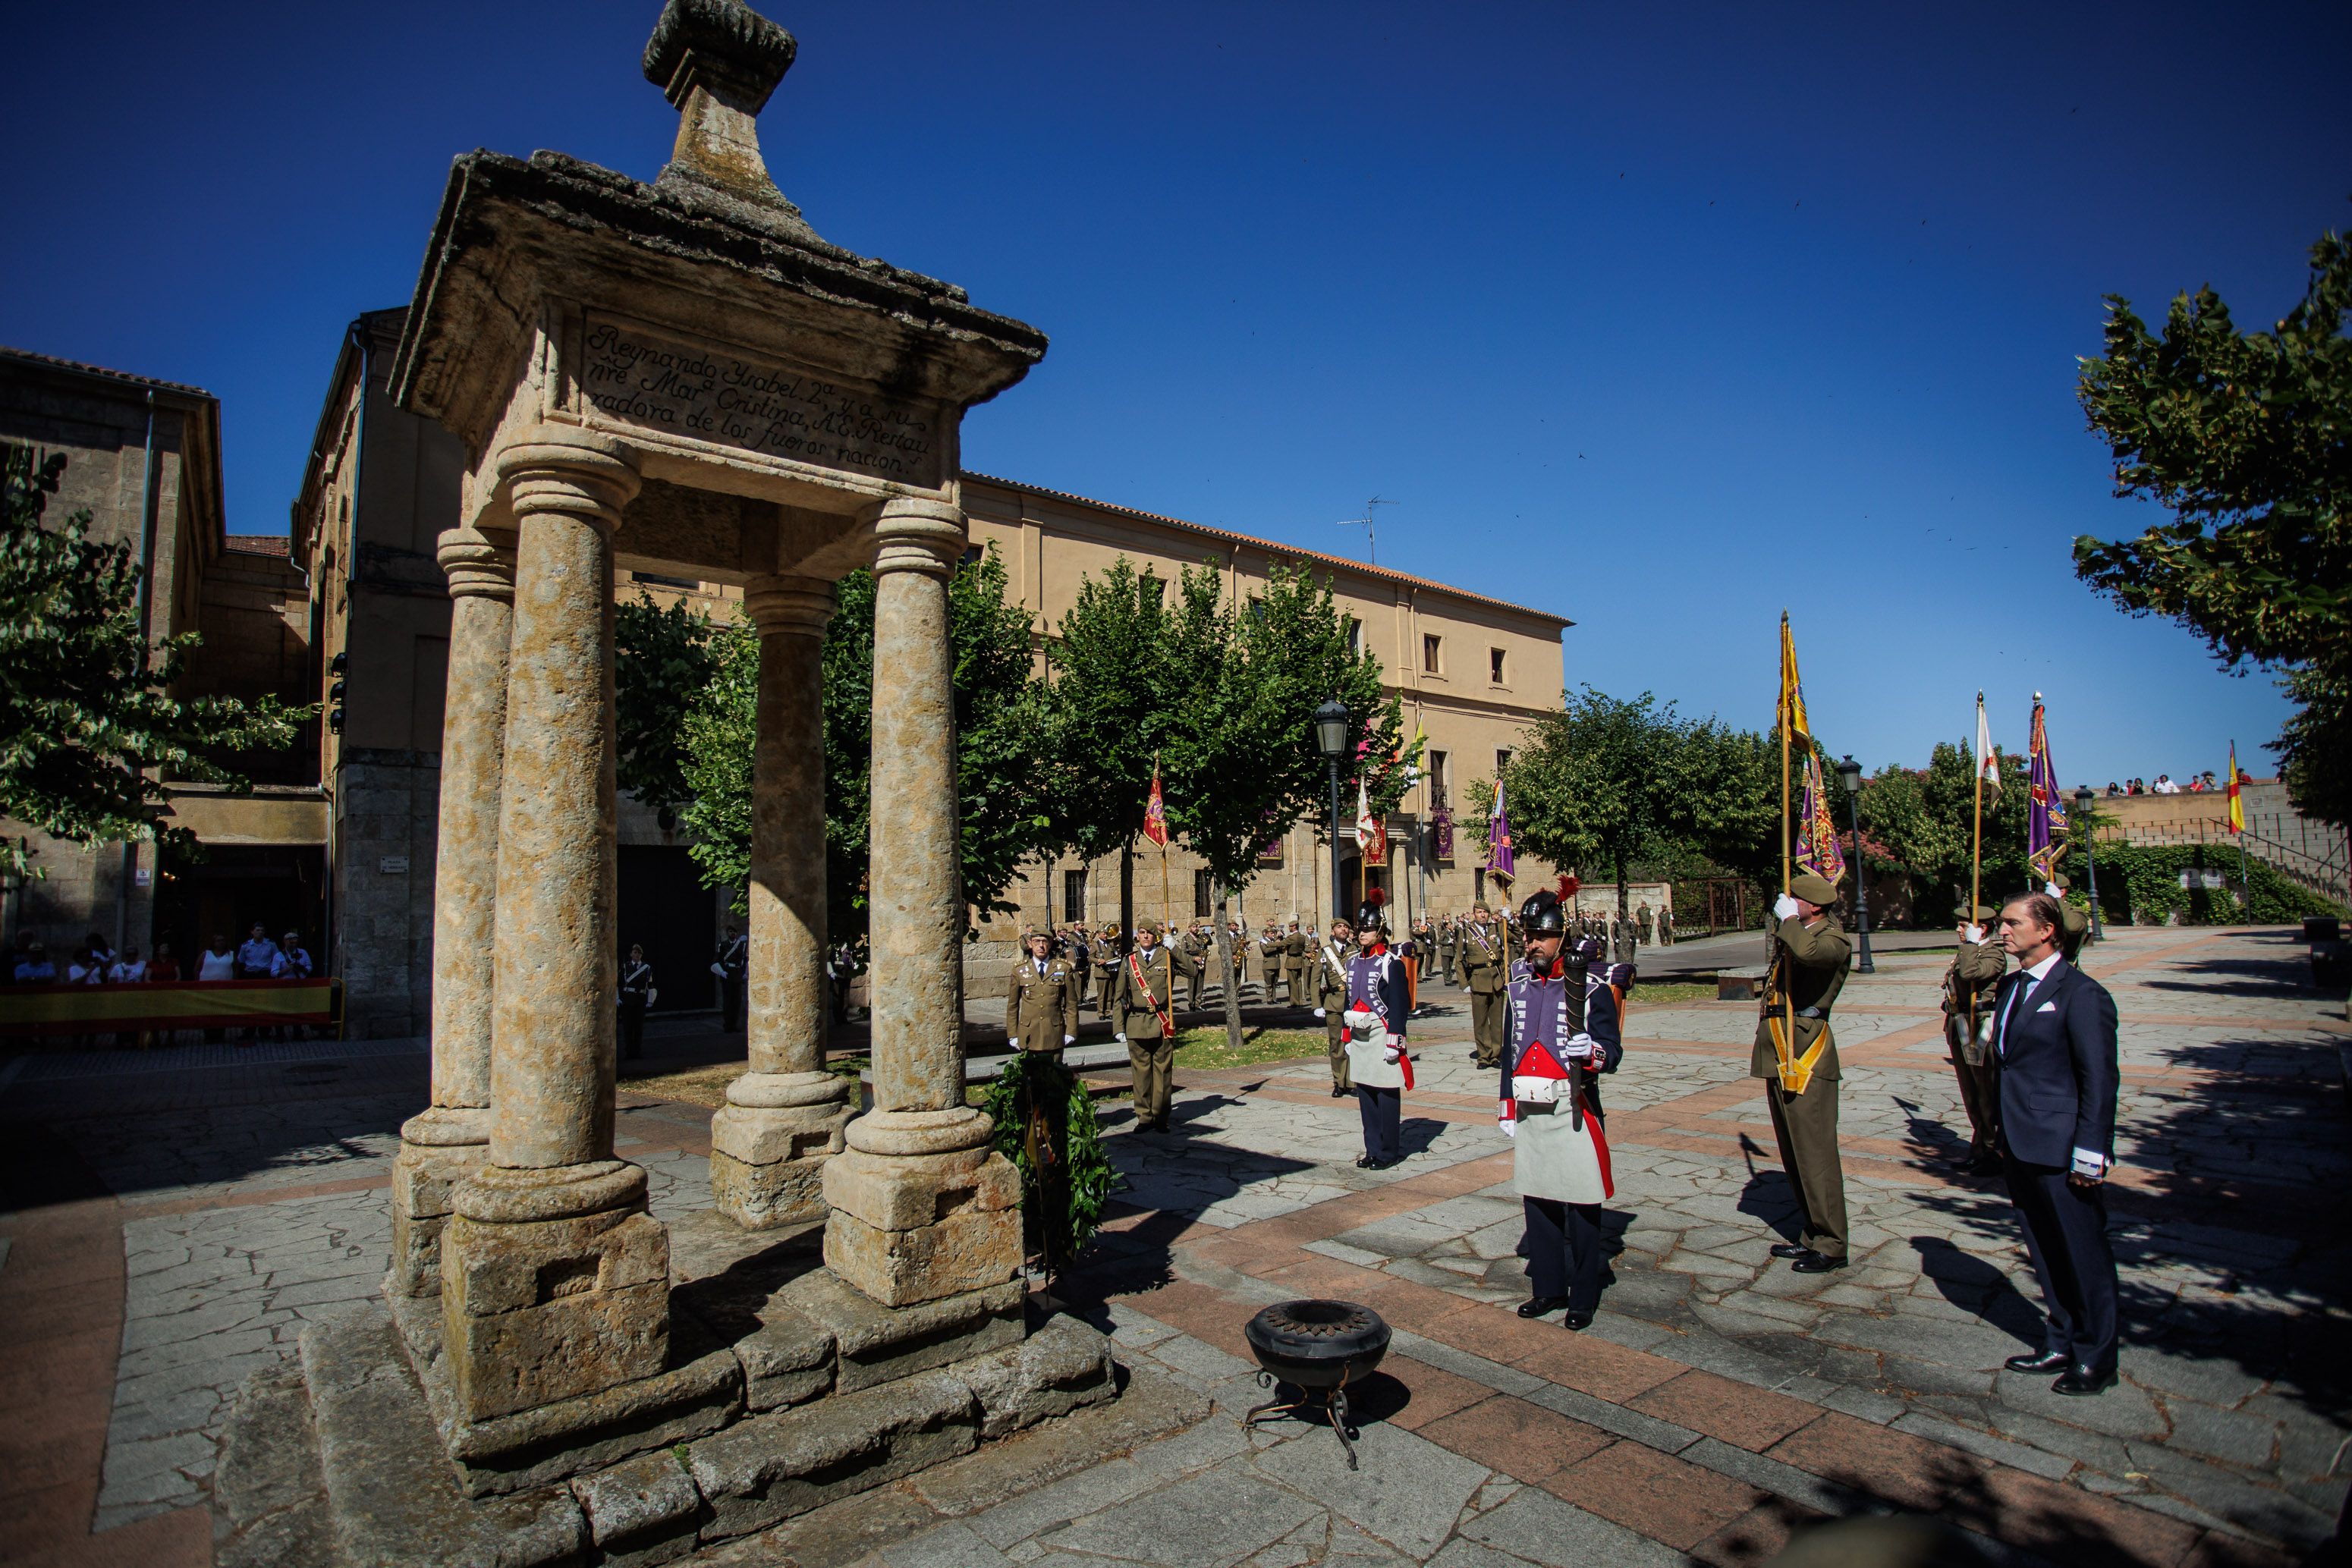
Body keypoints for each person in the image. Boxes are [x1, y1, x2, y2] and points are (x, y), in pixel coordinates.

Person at [1989, 891, 2122, 1396]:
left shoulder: (2081, 993)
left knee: (2083, 1254)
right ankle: (2061, 1338)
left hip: (2063, 1146)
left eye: (2011, 922)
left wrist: (2092, 1150)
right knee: (2045, 1250)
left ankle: (2096, 1356)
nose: (2002, 931)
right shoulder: (2010, 986)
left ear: (2047, 930)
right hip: (2019, 1142)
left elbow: (2099, 1078)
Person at [1499, 888, 1623, 1329]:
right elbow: (1508, 1050)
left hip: (1574, 1106)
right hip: (1530, 1106)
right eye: (1529, 934)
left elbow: (1613, 1051)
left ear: (1561, 938)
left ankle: (1584, 1295)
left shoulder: (1591, 990)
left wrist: (1593, 1051)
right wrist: (1506, 1104)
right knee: (1538, 1200)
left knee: (1582, 1204)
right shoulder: (1517, 987)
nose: (1532, 942)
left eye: (1541, 936)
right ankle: (1548, 1288)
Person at [1753, 872, 1851, 1273]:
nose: (1788, 902)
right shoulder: (1803, 929)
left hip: (1805, 1050)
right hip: (1781, 1044)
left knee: (1816, 1153)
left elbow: (1812, 956)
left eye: (1796, 899)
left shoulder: (1833, 938)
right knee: (1794, 1151)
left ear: (1813, 905)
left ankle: (1832, 1244)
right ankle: (1812, 1232)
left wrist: (1789, 922)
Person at [1340, 904, 1413, 1168]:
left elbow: (1399, 1003)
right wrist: (1346, 1036)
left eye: (1368, 929)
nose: (1363, 934)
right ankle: (1372, 1148)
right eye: (1360, 929)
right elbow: (1349, 1001)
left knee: (1385, 1093)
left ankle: (1388, 1151)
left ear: (1380, 931)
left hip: (1382, 1031)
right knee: (1366, 1094)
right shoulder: (1353, 961)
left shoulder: (1390, 963)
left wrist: (1395, 1040)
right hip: (1359, 1032)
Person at [1940, 906, 2006, 1174]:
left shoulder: (1994, 954)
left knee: (1985, 1093)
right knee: (1970, 1093)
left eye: (1964, 925)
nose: (1958, 929)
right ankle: (1979, 1148)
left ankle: (1992, 1151)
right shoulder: (1969, 950)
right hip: (1960, 1025)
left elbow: (1970, 974)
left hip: (1980, 1028)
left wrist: (1971, 944)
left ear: (1982, 928)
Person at [1113, 919, 1196, 1132]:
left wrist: (1174, 947)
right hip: (1137, 1024)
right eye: (1142, 933)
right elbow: (1119, 997)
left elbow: (1192, 971)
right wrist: (1118, 1028)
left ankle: (1160, 1116)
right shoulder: (1129, 961)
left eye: (1150, 933)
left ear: (1155, 936)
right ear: (1137, 936)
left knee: (1162, 1072)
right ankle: (1144, 1116)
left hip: (1162, 1022)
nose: (1146, 936)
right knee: (1140, 1074)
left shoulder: (1166, 956)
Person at [1007, 928, 1080, 1054]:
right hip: (1028, 1035)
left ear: (1050, 944)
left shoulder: (1063, 968)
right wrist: (1012, 1034)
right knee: (1029, 1072)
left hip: (1054, 1034)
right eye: (1036, 941)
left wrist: (1071, 1031)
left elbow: (1071, 1004)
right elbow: (1012, 1006)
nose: (1041, 946)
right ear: (1030, 944)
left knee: (1054, 1072)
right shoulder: (1019, 970)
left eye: (1044, 941)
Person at [1459, 903, 1509, 1068]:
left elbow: (1516, 937)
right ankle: (1483, 1056)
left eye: (1485, 912)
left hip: (1496, 980)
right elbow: (1459, 960)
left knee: (1496, 1021)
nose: (1483, 915)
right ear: (1474, 914)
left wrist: (1509, 920)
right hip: (1478, 979)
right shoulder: (1466, 932)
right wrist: (1464, 983)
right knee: (1480, 1021)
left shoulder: (1497, 929)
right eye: (1479, 912)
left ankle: (1495, 1055)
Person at [1310, 915, 1354, 1098]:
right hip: (1333, 1002)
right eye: (1339, 927)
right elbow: (1314, 980)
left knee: (1353, 1043)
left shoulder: (1355, 950)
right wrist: (1316, 1005)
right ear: (1333, 931)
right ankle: (1338, 1082)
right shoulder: (1325, 952)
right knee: (1336, 1044)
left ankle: (1352, 1082)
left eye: (1346, 927)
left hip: (1353, 1002)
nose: (1343, 930)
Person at [618, 944, 655, 1061]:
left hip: (640, 999)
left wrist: (650, 1000)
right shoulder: (625, 966)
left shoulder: (647, 968)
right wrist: (617, 998)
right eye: (634, 953)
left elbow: (650, 985)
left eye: (639, 953)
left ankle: (637, 1052)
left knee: (638, 1028)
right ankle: (629, 1052)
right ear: (631, 954)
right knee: (627, 1028)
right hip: (627, 1000)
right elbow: (618, 983)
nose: (637, 955)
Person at [714, 925, 748, 1032]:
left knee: (736, 1001)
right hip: (727, 974)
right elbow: (719, 959)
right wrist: (721, 972)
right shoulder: (723, 945)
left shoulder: (742, 945)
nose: (732, 933)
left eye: (734, 931)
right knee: (728, 1001)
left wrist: (744, 973)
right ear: (727, 933)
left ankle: (734, 1025)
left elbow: (744, 959)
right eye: (730, 931)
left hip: (737, 975)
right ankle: (727, 1025)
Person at [1256, 920, 1285, 1003]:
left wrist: (1281, 944)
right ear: (1267, 934)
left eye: (1274, 933)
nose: (1273, 935)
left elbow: (1281, 951)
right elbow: (1266, 951)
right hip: (1268, 964)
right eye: (1271, 934)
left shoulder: (1274, 942)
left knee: (1274, 983)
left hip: (1276, 964)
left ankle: (1274, 998)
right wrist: (1277, 945)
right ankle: (1269, 999)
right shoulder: (1263, 942)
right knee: (1269, 983)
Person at [1284, 920, 1310, 1009]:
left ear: (1294, 927)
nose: (1289, 928)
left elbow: (1281, 944)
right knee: (1298, 981)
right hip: (1299, 960)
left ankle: (1294, 1003)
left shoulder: (1291, 937)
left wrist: (1268, 943)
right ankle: (1300, 1002)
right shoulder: (1302, 937)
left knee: (1292, 982)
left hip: (1292, 961)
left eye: (1290, 926)